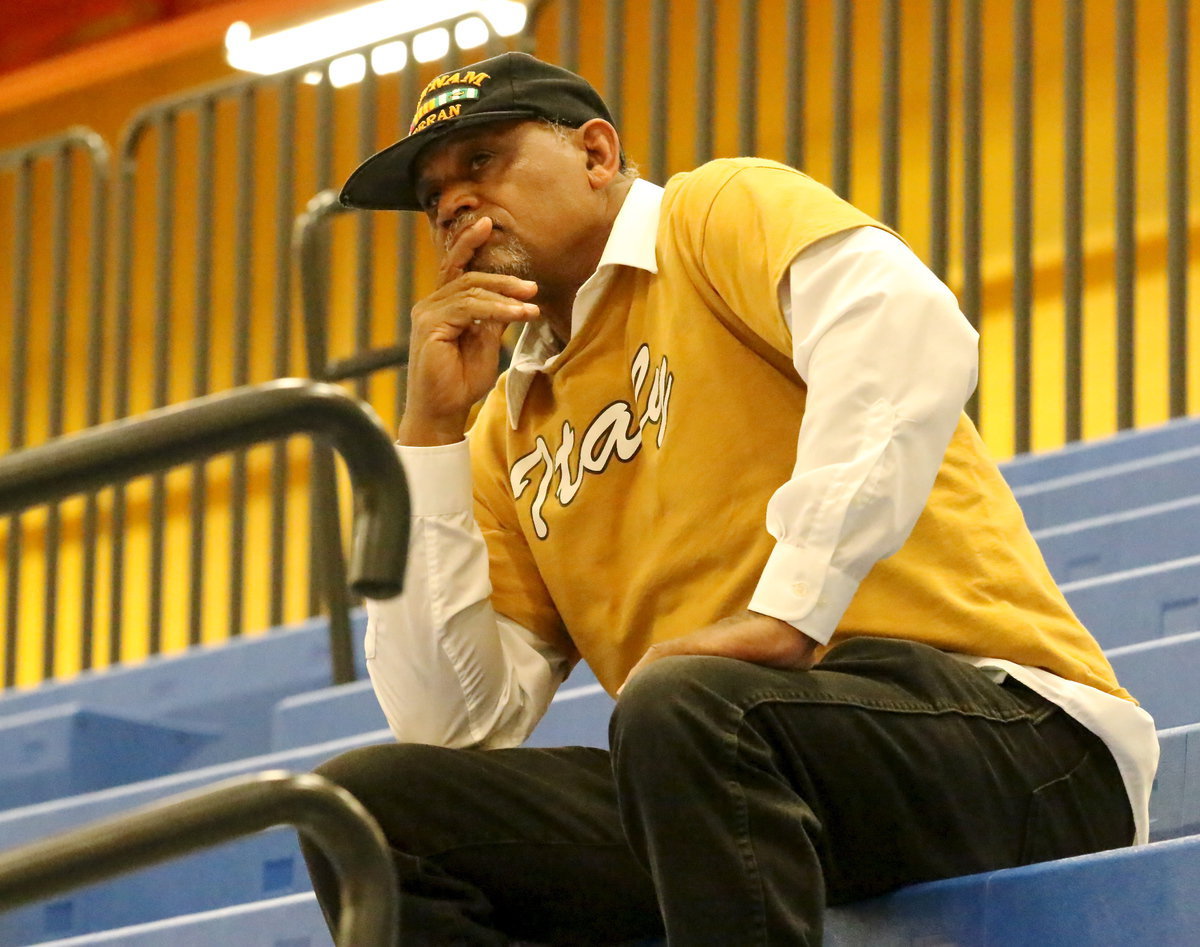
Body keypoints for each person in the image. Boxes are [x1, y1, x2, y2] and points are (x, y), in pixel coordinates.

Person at [302, 52, 1158, 945]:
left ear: (597, 153)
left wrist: (794, 607)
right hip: (729, 773)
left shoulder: (713, 212)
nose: (455, 206)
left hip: (1019, 744)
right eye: (435, 197)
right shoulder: (502, 431)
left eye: (482, 161)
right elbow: (452, 724)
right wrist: (432, 429)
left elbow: (906, 327)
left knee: (682, 704)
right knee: (364, 815)